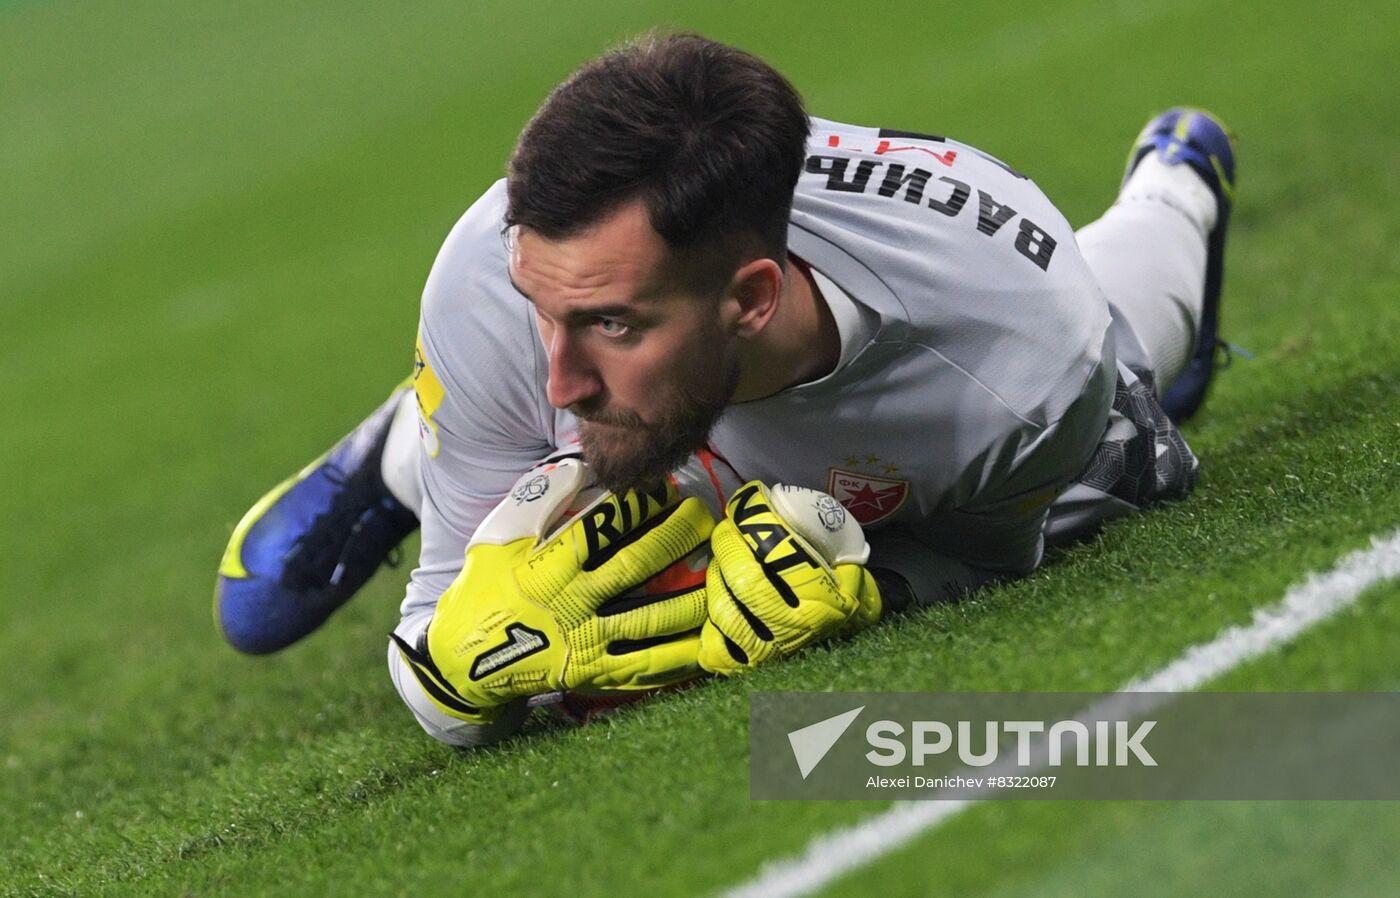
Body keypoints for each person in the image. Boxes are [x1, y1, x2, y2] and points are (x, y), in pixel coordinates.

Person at [214, 33, 1237, 747]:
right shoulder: (494, 274)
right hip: (668, 384)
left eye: (613, 321)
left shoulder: (1015, 362)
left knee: (1121, 442)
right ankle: (414, 435)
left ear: (748, 298)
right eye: (547, 309)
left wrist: (865, 591)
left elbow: (979, 560)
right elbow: (433, 658)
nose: (561, 377)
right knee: (255, 609)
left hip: (1037, 349)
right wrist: (463, 675)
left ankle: (1177, 177)